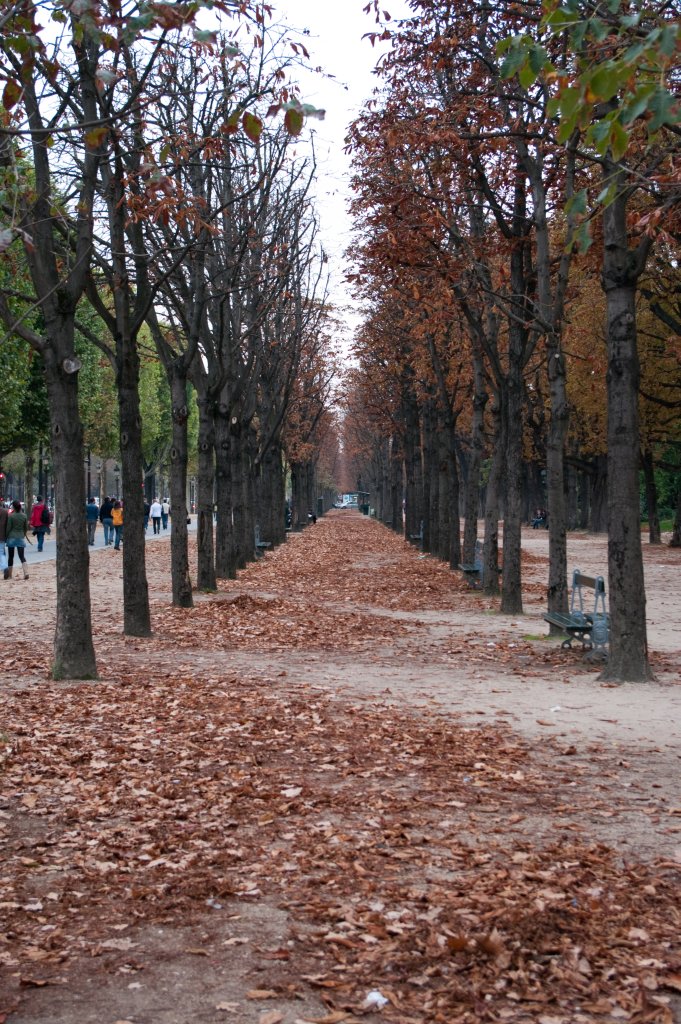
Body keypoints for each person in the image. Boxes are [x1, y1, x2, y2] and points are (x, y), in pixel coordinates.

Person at [5, 499, 29, 579]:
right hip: (20, 537)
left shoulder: (11, 516)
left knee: (10, 557)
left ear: (13, 507)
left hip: (11, 537)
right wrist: (23, 534)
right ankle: (26, 572)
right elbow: (26, 528)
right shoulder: (24, 516)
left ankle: (10, 575)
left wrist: (6, 536)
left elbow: (8, 528)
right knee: (22, 556)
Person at [0, 502, 8, 578]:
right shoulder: (5, 512)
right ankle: (4, 567)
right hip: (2, 535)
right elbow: (7, 525)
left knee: (1, 553)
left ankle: (5, 567)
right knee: (2, 552)